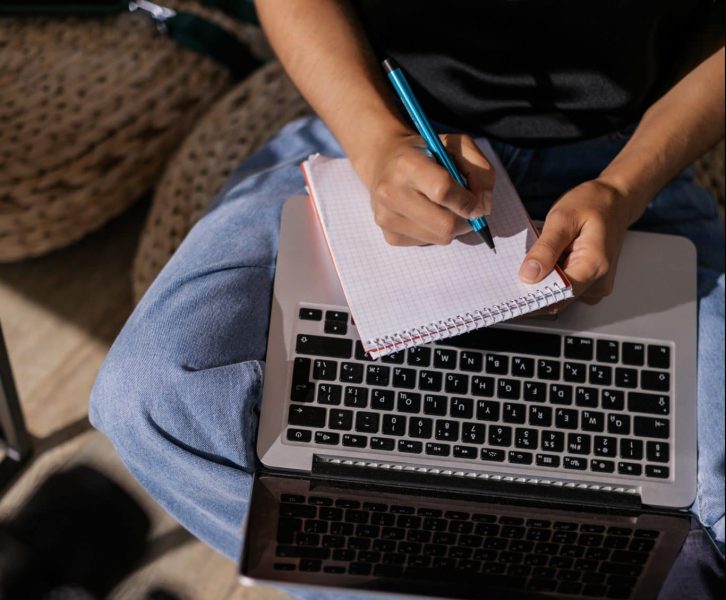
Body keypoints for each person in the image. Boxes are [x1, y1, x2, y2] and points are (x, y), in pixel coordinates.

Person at [89, 0, 725, 595]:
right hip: (375, 131)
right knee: (150, 395)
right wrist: (378, 145)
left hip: (632, 160)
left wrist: (625, 186)